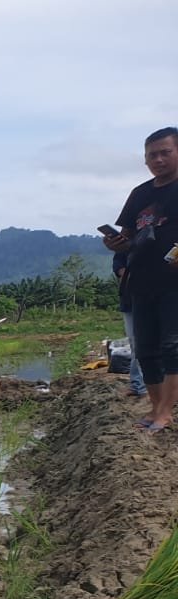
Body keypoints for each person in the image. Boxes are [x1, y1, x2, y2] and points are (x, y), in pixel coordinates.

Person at [105, 127, 178, 433]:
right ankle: (153, 408)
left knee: (172, 346)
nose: (158, 159)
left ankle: (165, 412)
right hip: (142, 281)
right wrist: (116, 244)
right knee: (146, 349)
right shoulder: (140, 194)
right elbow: (129, 236)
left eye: (165, 152)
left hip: (174, 283)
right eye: (152, 155)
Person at [112, 252, 148, 401]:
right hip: (130, 302)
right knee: (136, 345)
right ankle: (138, 385)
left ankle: (146, 385)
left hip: (154, 301)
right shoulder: (122, 251)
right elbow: (121, 271)